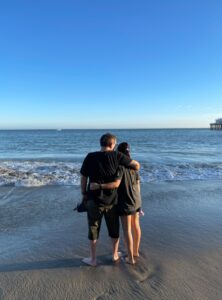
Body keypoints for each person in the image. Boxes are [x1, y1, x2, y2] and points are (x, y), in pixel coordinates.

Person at [80, 133, 140, 266]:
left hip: (93, 200)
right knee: (114, 230)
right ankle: (114, 255)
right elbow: (136, 165)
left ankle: (93, 259)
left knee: (93, 229)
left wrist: (84, 193)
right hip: (112, 202)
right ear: (112, 145)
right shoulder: (118, 156)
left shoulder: (90, 156)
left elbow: (83, 177)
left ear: (101, 143)